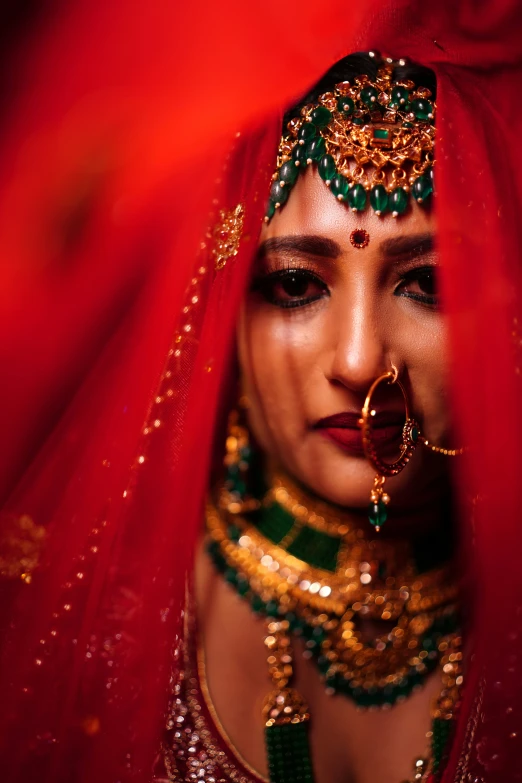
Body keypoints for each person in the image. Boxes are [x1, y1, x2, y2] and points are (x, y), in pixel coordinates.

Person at [1, 5, 522, 783]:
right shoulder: (80, 618)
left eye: (428, 284)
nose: (356, 359)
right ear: (215, 310)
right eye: (293, 284)